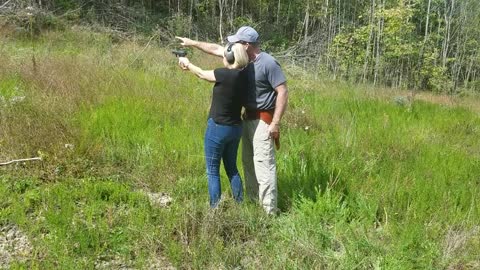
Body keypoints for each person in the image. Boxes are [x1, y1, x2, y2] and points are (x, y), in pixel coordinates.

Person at [177, 26, 288, 214]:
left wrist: (275, 122)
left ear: (246, 45)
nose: (230, 45)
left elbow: (283, 91)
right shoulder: (242, 62)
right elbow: (215, 49)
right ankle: (253, 204)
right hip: (244, 119)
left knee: (263, 165)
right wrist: (193, 43)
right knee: (247, 163)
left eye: (236, 41)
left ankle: (268, 211)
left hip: (263, 119)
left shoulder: (268, 63)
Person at [177, 43, 250, 208]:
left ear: (231, 58)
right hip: (235, 128)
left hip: (218, 127)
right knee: (232, 169)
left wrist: (187, 63)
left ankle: (214, 210)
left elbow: (202, 74)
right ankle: (240, 206)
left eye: (225, 55)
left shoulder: (225, 74)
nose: (223, 57)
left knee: (212, 171)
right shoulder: (246, 74)